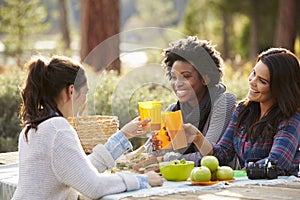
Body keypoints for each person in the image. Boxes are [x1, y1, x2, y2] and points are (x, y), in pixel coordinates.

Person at [12, 55, 163, 200]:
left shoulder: (33, 128)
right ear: (71, 91)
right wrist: (141, 180)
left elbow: (80, 172)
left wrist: (123, 136)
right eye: (85, 93)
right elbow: (93, 186)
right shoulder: (57, 128)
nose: (85, 102)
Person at [169, 47, 300, 176]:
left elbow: (276, 164)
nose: (252, 82)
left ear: (280, 88)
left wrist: (243, 172)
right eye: (254, 74)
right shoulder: (243, 110)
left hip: (282, 188)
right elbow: (223, 153)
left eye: (262, 81)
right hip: (248, 188)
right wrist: (197, 138)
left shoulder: (291, 118)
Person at [150, 36, 237, 165]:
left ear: (205, 79)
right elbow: (149, 157)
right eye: (173, 77)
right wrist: (155, 147)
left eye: (186, 76)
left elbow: (209, 157)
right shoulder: (174, 111)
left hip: (221, 182)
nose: (177, 83)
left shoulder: (224, 103)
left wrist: (162, 160)